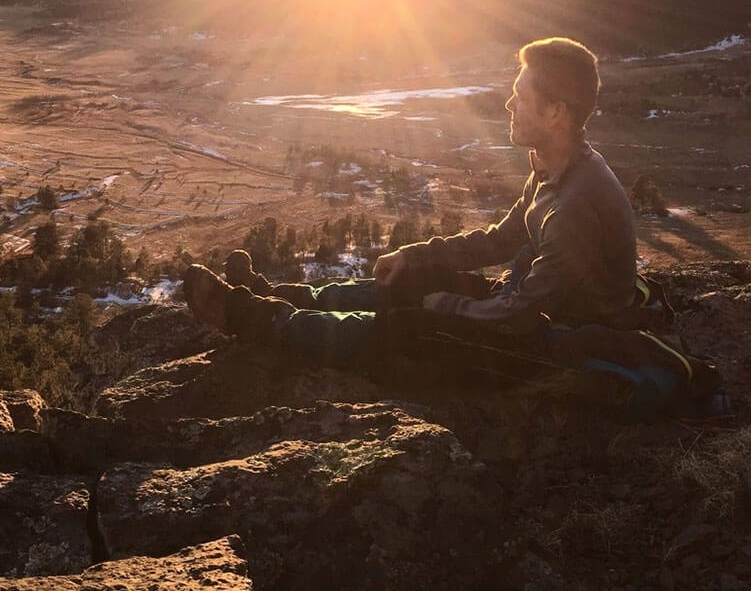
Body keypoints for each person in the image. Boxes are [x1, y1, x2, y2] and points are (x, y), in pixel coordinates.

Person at [184, 36, 639, 372]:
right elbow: (501, 239)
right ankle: (279, 296)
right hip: (529, 308)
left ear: (556, 113)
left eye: (521, 97)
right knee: (413, 280)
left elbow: (516, 316)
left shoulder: (577, 203)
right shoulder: (556, 167)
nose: (508, 104)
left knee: (403, 327)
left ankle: (251, 317)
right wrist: (414, 255)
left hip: (552, 343)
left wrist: (446, 308)